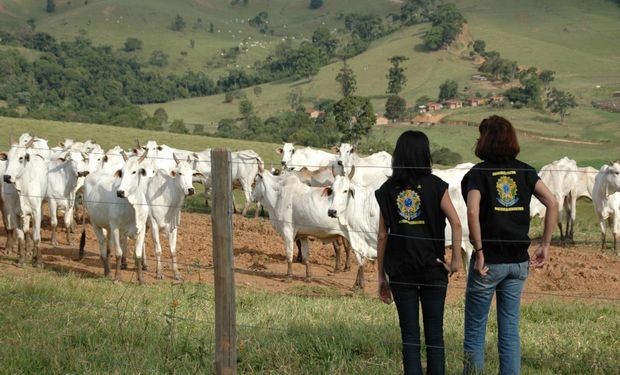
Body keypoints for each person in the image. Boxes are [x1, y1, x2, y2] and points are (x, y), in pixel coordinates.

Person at [460, 115, 558, 375]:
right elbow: (553, 202)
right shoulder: (525, 171)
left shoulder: (478, 173)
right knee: (509, 330)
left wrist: (479, 251)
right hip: (517, 262)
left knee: (475, 331)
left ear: (485, 141)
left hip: (488, 262)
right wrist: (545, 244)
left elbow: (472, 211)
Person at [375, 130, 463, 375]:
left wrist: (381, 276)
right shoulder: (436, 186)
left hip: (401, 270)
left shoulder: (388, 189)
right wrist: (455, 261)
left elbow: (382, 236)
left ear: (398, 156)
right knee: (435, 334)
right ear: (425, 154)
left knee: (410, 336)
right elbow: (456, 223)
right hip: (433, 268)